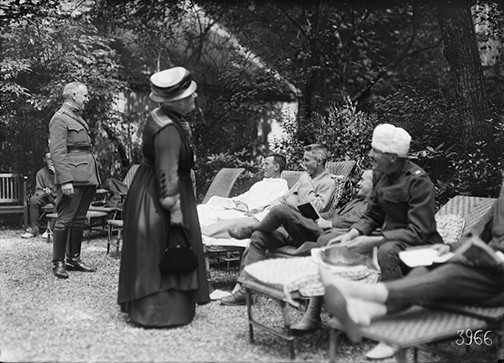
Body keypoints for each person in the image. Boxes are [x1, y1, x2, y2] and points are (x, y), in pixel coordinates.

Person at [318, 181, 504, 355]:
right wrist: (448, 247)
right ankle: (367, 314)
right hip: (482, 271)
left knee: (451, 273)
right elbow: (474, 237)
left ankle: (362, 294)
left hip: (498, 285)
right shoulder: (499, 204)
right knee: (425, 269)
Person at [326, 123, 443, 359]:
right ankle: (338, 314)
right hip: (390, 239)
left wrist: (373, 241)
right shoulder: (381, 175)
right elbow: (372, 215)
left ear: (392, 156)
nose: (370, 155)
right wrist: (355, 233)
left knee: (386, 251)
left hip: (420, 244)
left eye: (375, 151)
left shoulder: (418, 181)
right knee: (330, 242)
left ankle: (393, 334)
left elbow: (419, 231)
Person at [118, 66, 210, 328]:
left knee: (151, 249)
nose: (194, 98)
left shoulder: (159, 117)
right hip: (159, 199)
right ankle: (161, 313)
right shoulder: (168, 129)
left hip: (146, 190)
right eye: (190, 95)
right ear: (176, 101)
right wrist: (176, 215)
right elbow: (167, 175)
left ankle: (150, 308)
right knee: (166, 246)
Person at [220, 143, 336, 306]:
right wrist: (264, 207)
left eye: (306, 160)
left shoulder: (327, 183)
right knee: (259, 237)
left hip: (307, 230)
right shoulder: (307, 177)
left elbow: (315, 208)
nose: (303, 164)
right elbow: (284, 198)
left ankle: (253, 227)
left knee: (281, 210)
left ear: (319, 161)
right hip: (288, 227)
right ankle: (247, 291)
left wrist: (305, 185)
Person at [49, 81, 100, 279]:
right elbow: (58, 153)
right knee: (65, 219)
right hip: (73, 177)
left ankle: (74, 259)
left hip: (86, 176)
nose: (86, 99)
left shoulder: (76, 117)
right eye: (84, 95)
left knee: (79, 219)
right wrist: (65, 181)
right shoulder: (59, 119)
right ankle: (59, 262)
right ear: (73, 95)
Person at [198, 153, 288, 228]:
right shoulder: (260, 184)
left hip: (249, 216)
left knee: (214, 217)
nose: (263, 167)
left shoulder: (281, 188)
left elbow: (269, 208)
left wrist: (247, 207)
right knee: (204, 207)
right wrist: (237, 202)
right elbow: (245, 196)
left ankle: (199, 235)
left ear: (276, 167)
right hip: (239, 208)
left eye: (266, 164)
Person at [21, 152, 57, 239]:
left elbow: (63, 188)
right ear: (44, 160)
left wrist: (52, 192)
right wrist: (46, 192)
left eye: (53, 158)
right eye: (49, 159)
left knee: (58, 201)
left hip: (57, 196)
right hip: (46, 196)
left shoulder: (60, 172)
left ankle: (50, 230)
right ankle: (35, 230)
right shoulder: (41, 173)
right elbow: (39, 190)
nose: (51, 161)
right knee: (33, 200)